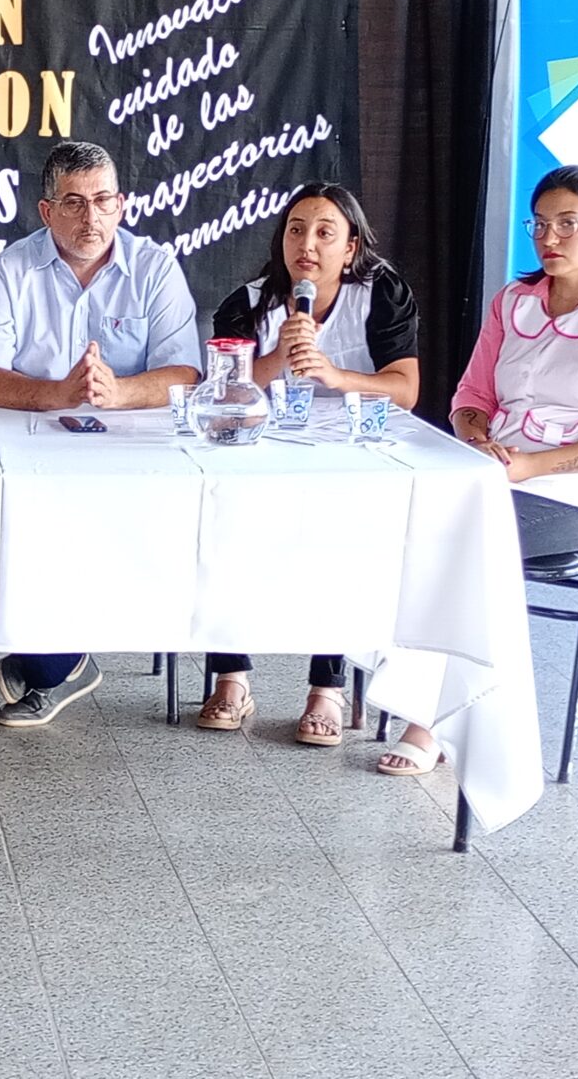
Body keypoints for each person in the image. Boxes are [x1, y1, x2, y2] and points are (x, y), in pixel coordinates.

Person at [378, 164, 578, 778]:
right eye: (539, 224)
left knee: (461, 547)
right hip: (492, 474)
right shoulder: (513, 301)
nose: (549, 238)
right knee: (399, 525)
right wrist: (479, 440)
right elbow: (470, 398)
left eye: (568, 224)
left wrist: (529, 466)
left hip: (576, 498)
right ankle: (397, 695)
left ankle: (433, 720)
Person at [0, 140, 201, 728]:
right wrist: (55, 394)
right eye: (73, 202)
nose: (91, 217)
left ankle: (54, 660)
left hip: (127, 454)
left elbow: (186, 373)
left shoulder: (155, 267)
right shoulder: (12, 268)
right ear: (47, 211)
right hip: (31, 448)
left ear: (121, 205)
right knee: (11, 519)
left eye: (102, 200)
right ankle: (56, 661)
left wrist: (119, 392)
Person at [201, 182, 420, 739]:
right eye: (296, 230)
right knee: (223, 521)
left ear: (350, 248)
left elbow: (405, 389)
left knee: (344, 539)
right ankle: (231, 677)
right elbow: (223, 393)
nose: (308, 245)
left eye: (326, 233)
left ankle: (328, 688)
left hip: (352, 456)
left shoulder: (382, 294)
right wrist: (278, 355)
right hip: (266, 455)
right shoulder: (249, 302)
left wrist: (334, 375)